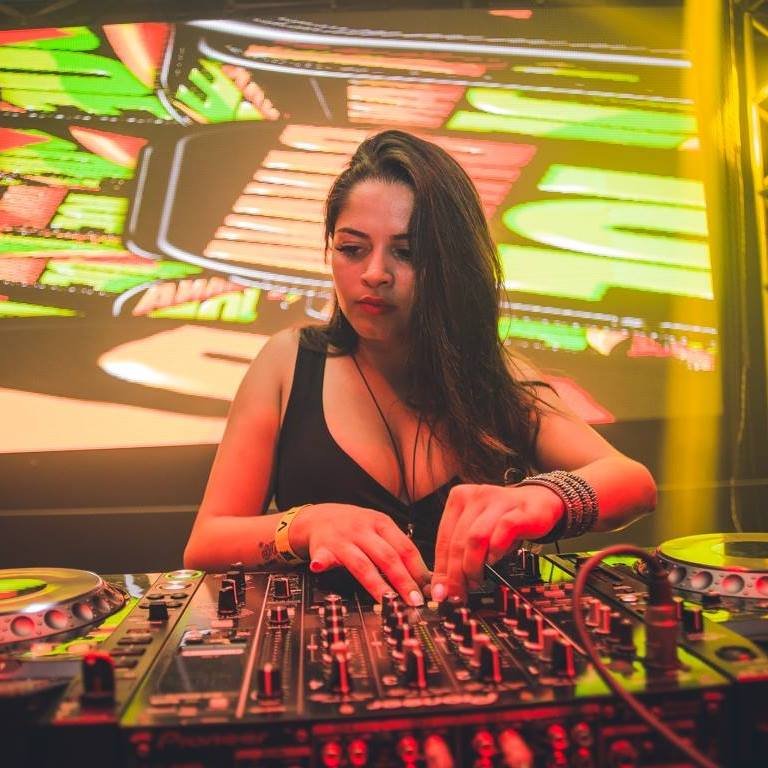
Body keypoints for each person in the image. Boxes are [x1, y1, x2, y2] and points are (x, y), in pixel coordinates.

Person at [184, 130, 656, 606]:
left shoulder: (495, 378)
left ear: (451, 265)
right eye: (352, 249)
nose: (375, 273)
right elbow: (206, 542)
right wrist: (306, 524)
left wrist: (541, 499)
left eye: (407, 253)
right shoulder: (288, 362)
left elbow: (633, 482)